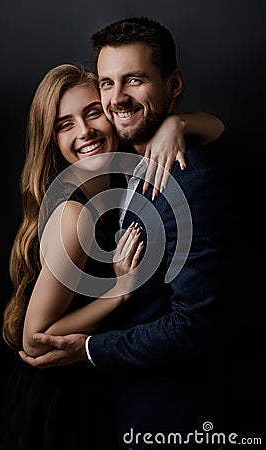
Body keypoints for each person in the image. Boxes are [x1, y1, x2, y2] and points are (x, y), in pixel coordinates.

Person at [19, 17, 229, 450]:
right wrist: (119, 292)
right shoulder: (79, 209)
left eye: (133, 80)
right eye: (108, 85)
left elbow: (193, 324)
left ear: (173, 83)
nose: (117, 100)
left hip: (154, 413)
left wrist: (181, 123)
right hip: (83, 400)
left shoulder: (170, 177)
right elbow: (35, 341)